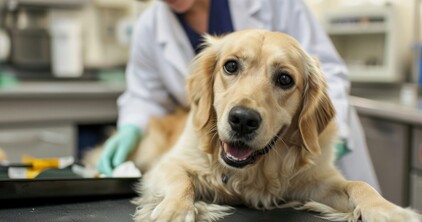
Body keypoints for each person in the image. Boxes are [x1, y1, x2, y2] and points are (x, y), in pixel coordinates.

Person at [98, 0, 380, 191]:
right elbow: (146, 94)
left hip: (301, 155)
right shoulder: (149, 26)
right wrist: (132, 127)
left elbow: (325, 71)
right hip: (228, 162)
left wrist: (329, 133)